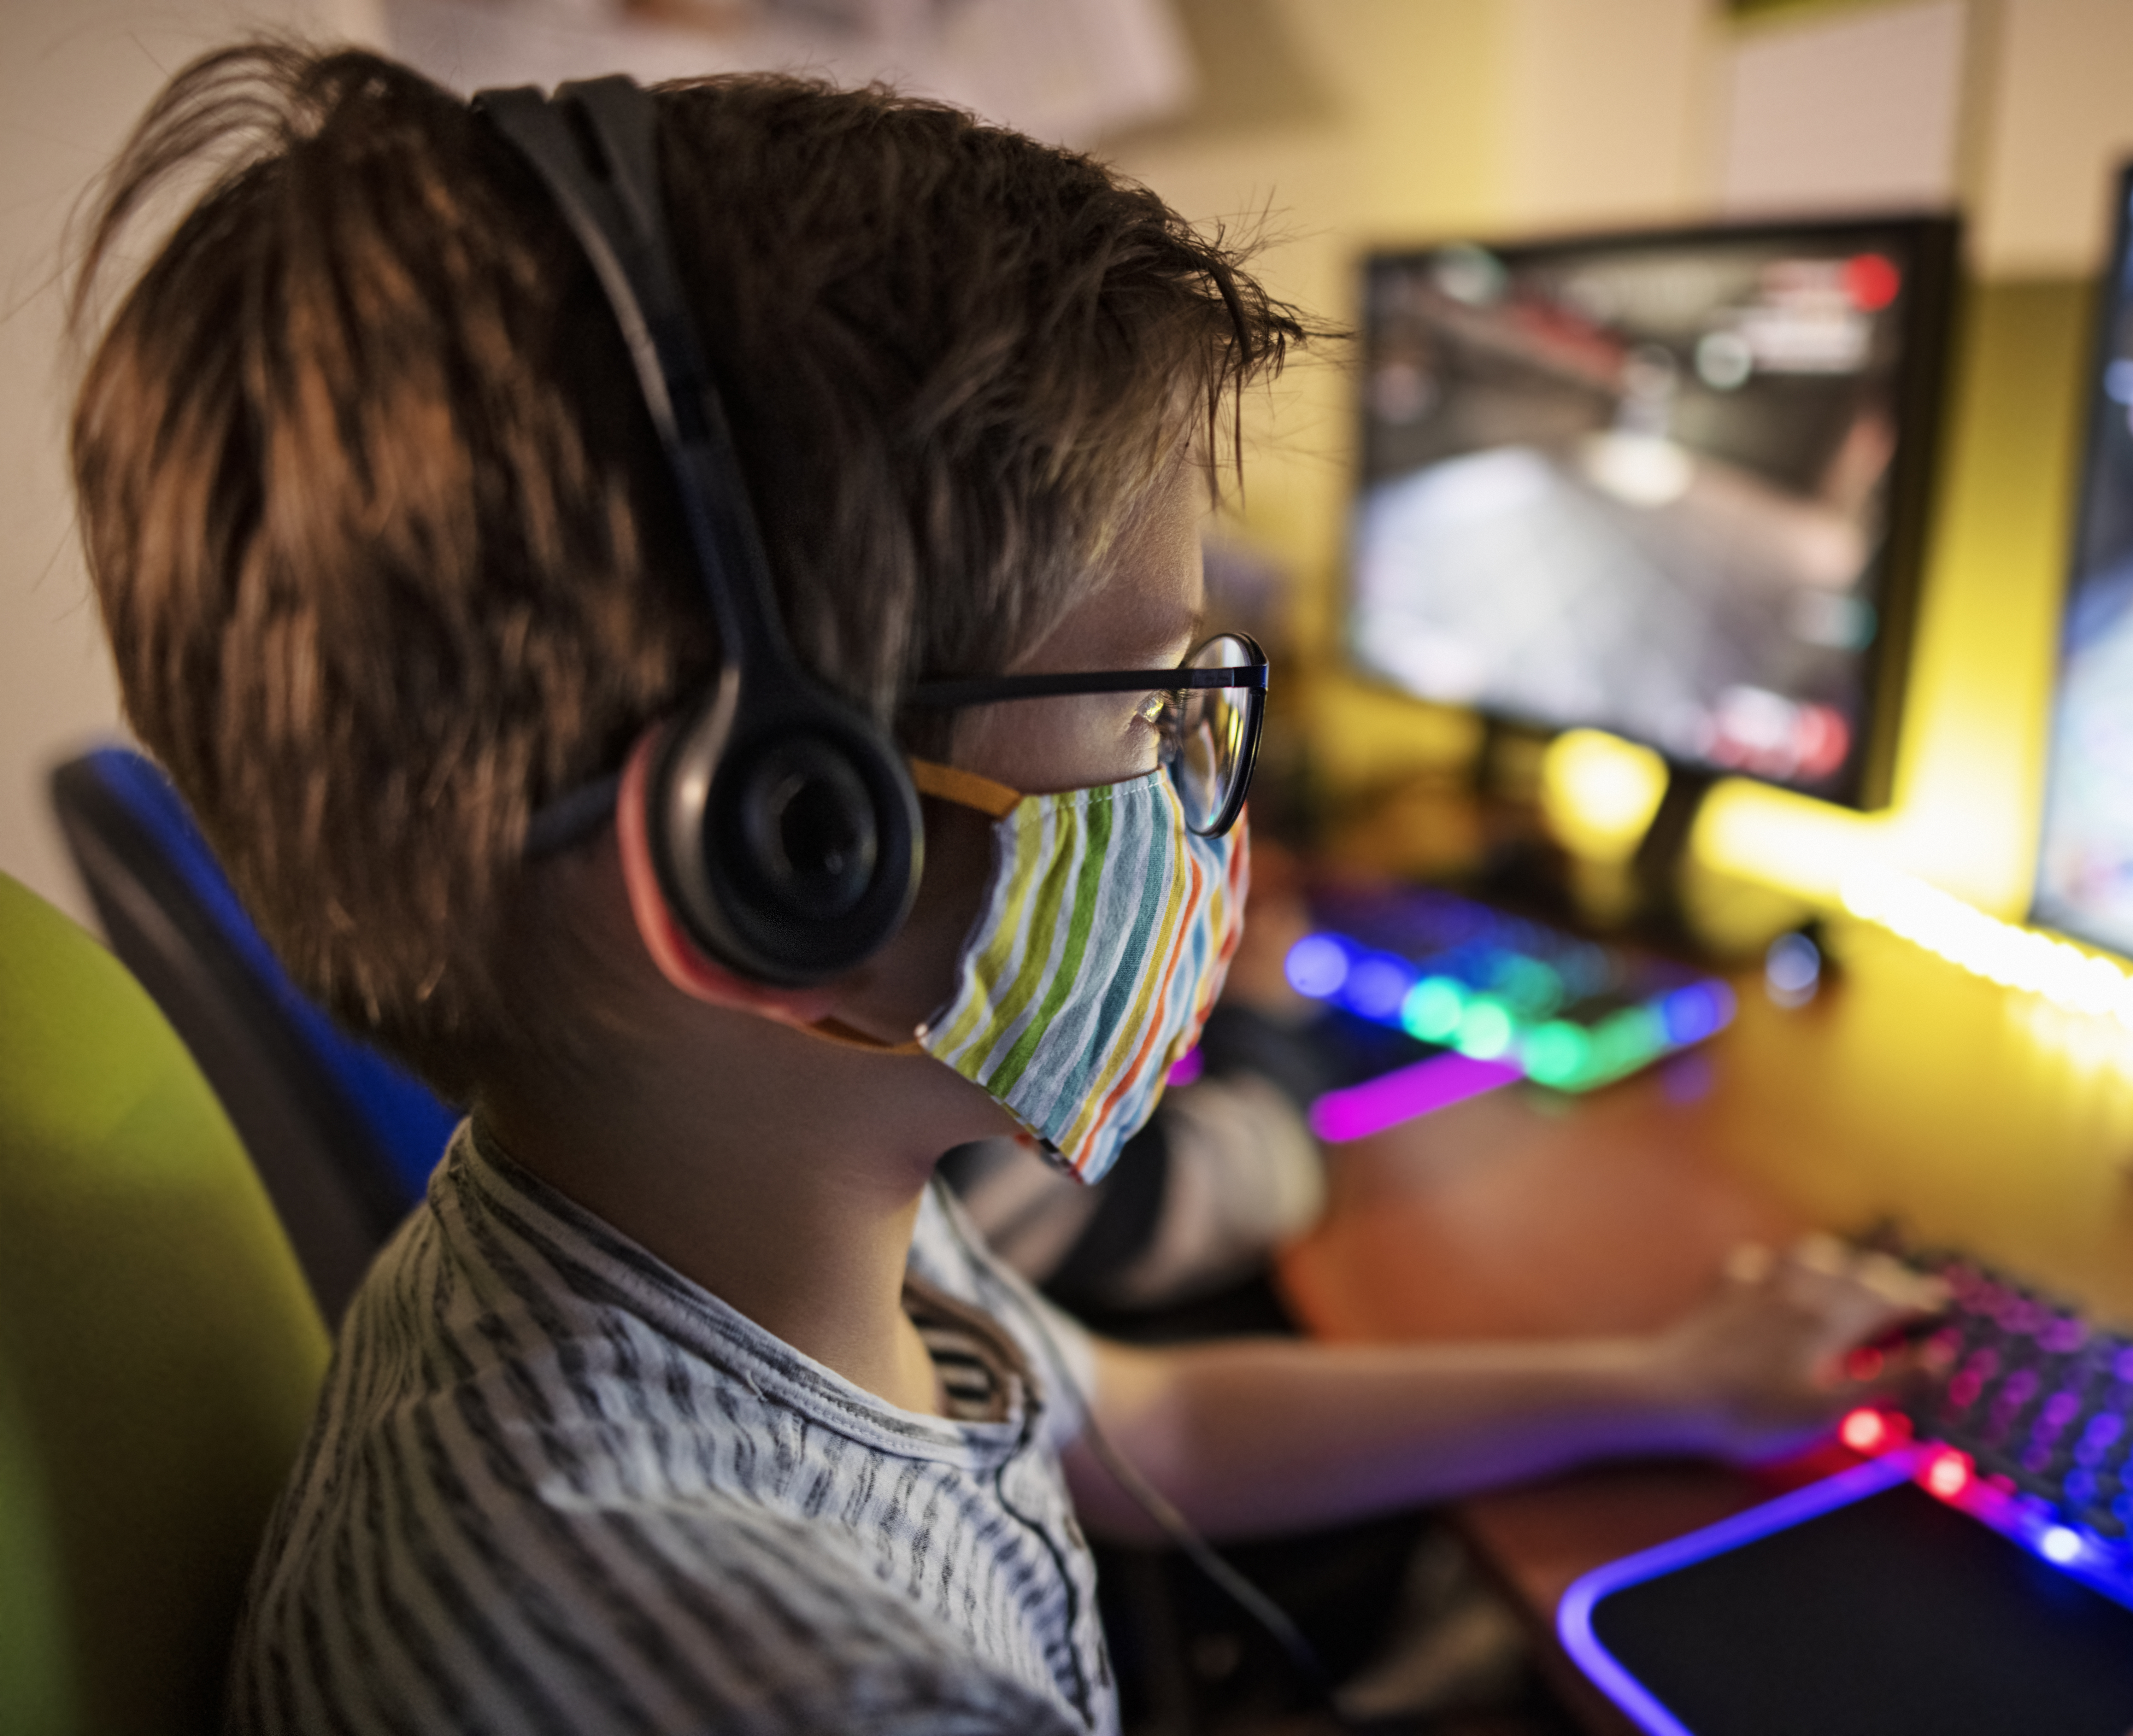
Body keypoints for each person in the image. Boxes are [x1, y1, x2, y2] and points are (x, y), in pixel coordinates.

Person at [72, 43, 1944, 1735]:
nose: (1214, 797)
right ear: (788, 865)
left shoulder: (715, 1203)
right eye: (1158, 714)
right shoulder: (787, 1684)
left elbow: (1145, 1423)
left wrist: (1668, 1381)